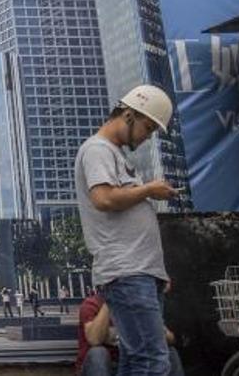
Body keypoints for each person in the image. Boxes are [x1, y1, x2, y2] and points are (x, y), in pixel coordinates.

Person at [74, 84, 179, 376]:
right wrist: (149, 189)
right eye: (147, 127)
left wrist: (156, 271)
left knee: (136, 359)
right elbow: (104, 198)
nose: (147, 137)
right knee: (152, 361)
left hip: (139, 272)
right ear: (129, 115)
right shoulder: (97, 149)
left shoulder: (115, 155)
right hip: (128, 271)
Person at [75, 289, 184, 376]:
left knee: (170, 352)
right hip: (104, 368)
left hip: (136, 365)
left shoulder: (140, 305)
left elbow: (171, 338)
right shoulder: (92, 304)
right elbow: (94, 339)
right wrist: (111, 301)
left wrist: (152, 328)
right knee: (98, 353)